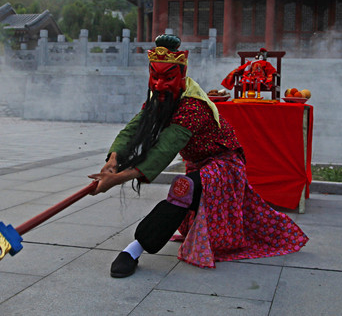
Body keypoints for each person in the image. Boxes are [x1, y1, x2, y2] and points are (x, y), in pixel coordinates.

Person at [88, 35, 308, 278]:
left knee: (182, 188)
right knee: (185, 192)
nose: (159, 85)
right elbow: (132, 129)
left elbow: (163, 152)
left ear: (182, 77)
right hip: (197, 166)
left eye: (168, 78)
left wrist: (116, 179)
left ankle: (134, 250)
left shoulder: (193, 106)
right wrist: (112, 162)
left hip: (223, 166)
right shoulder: (158, 97)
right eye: (155, 77)